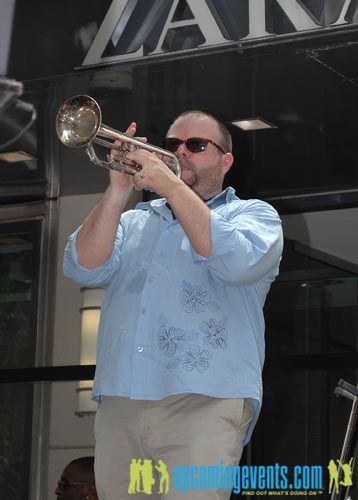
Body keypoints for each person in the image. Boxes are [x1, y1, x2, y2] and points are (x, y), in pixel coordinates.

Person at [63, 110, 283, 499]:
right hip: (122, 400)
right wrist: (117, 190)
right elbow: (82, 267)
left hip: (206, 400)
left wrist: (169, 184)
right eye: (171, 145)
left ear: (225, 160)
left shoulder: (253, 216)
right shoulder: (134, 221)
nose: (181, 153)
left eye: (196, 146)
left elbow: (235, 261)